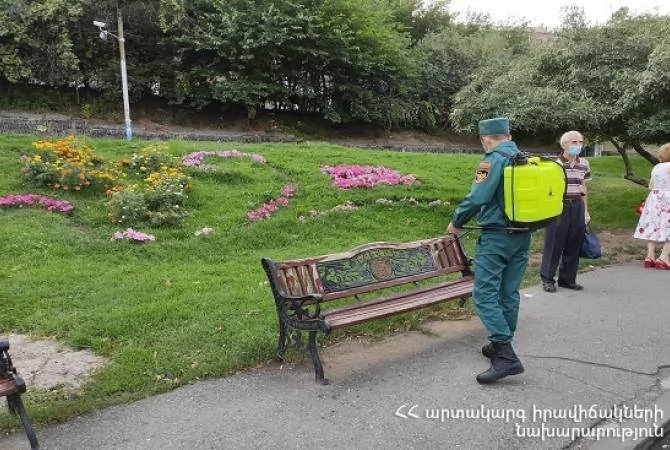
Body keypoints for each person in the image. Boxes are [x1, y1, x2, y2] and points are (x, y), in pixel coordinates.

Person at [447, 117, 530, 384]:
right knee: (508, 292)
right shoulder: (525, 159)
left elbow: (478, 197)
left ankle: (505, 355)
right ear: (508, 136)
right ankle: (500, 343)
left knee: (483, 294)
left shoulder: (491, 161)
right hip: (522, 235)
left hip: (496, 237)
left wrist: (457, 221)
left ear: (485, 139)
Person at [540, 130, 592, 293]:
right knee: (554, 243)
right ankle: (547, 279)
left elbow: (584, 187)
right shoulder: (555, 164)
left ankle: (567, 279)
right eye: (574, 142)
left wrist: (586, 211)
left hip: (577, 205)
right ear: (564, 145)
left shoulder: (584, 163)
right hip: (559, 206)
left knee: (574, 243)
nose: (578, 145)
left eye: (580, 142)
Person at [633, 143, 670, 270]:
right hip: (668, 198)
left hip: (654, 198)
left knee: (652, 226)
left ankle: (650, 256)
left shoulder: (656, 167)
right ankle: (663, 257)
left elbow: (651, 186)